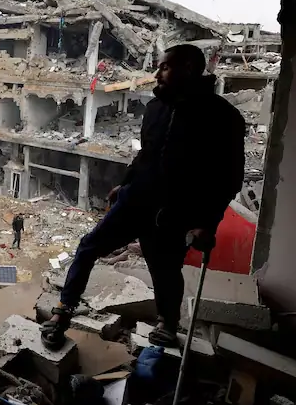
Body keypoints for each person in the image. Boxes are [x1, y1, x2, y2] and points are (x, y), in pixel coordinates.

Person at [40, 44, 245, 349]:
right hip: (135, 200)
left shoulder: (222, 117)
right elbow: (146, 155)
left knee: (165, 270)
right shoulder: (156, 108)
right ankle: (63, 311)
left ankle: (167, 323)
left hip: (173, 212)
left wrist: (208, 223)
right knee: (88, 247)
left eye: (165, 67)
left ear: (188, 69)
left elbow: (228, 178)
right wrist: (124, 184)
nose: (157, 74)